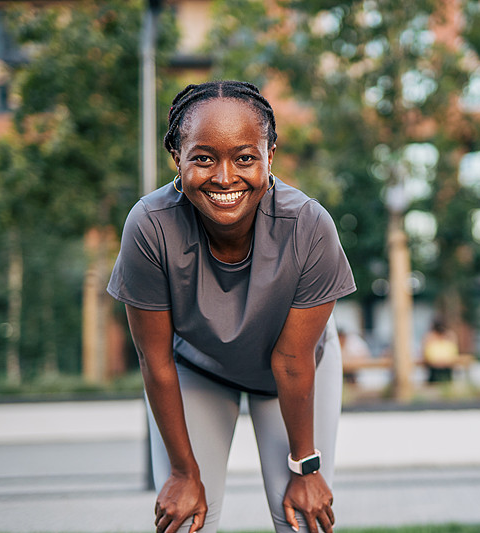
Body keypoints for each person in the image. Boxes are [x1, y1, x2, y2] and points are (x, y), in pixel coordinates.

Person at [107, 80, 356, 533]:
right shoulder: (150, 226)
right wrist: (184, 473)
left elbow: (292, 360)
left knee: (303, 519)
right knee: (185, 520)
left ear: (270, 156)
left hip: (296, 369)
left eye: (245, 157)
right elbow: (154, 359)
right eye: (203, 157)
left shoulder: (309, 226)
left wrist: (306, 467)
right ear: (177, 160)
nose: (225, 177)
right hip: (198, 366)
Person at [421, 318, 460, 383]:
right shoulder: (429, 337)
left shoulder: (449, 336)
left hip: (446, 367)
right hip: (434, 367)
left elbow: (453, 354)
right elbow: (427, 354)